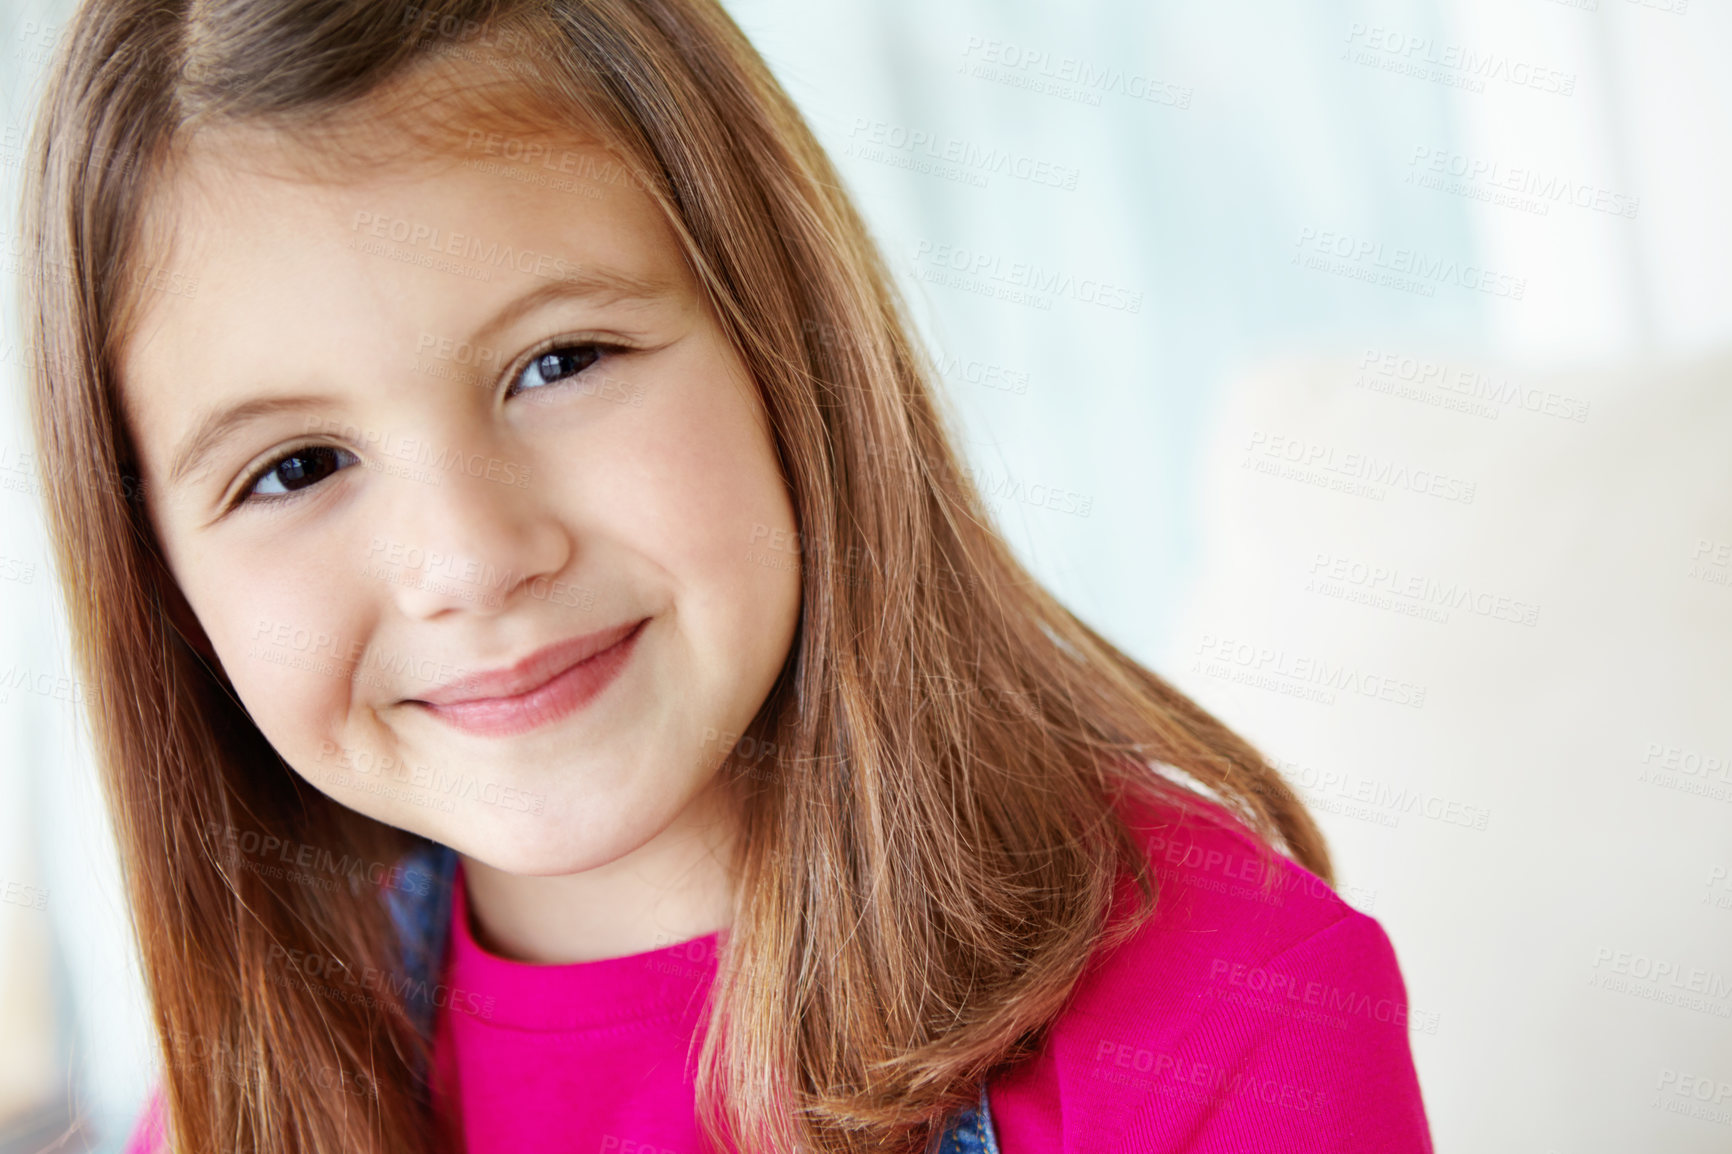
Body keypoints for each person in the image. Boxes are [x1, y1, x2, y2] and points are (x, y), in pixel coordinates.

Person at [18, 1, 1434, 1151]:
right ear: (165, 588)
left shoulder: (1236, 1013)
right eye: (297, 468)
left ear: (787, 348)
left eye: (558, 362)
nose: (470, 558)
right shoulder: (256, 1093)